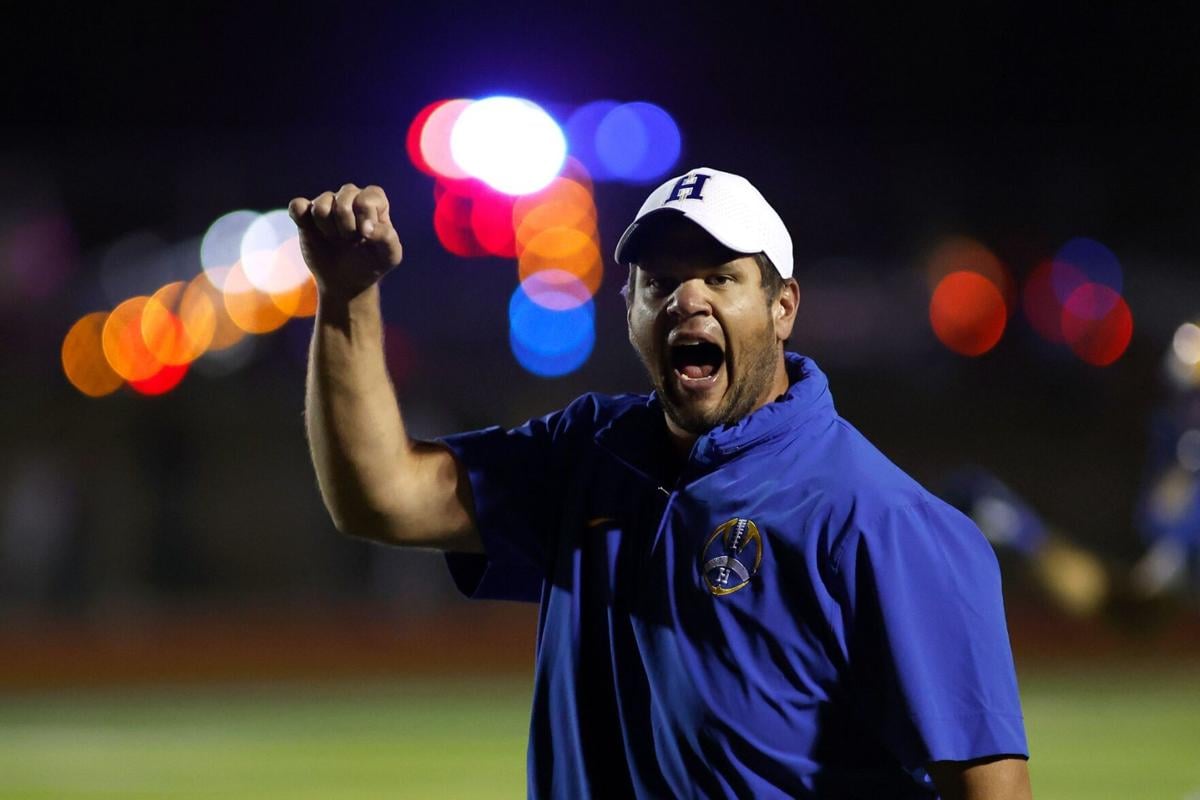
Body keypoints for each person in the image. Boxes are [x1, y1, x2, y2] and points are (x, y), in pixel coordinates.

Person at [291, 167, 1033, 799]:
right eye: (662, 281)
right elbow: (381, 496)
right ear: (629, 310)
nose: (687, 299)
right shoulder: (586, 455)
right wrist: (346, 294)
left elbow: (989, 785)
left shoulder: (882, 518)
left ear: (783, 308)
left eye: (721, 276)